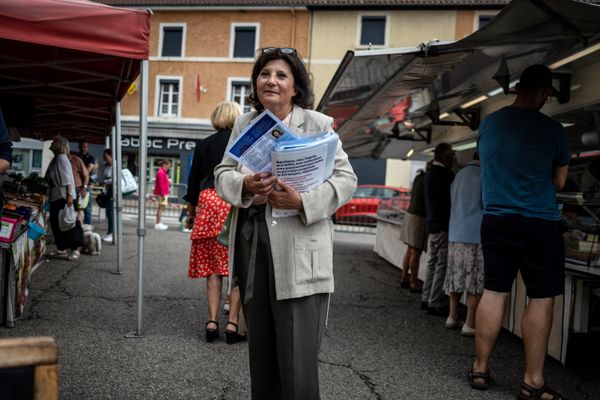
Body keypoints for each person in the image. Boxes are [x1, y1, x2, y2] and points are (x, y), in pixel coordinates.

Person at [214, 47, 357, 400]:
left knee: (297, 360)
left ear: (295, 87)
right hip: (253, 244)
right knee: (260, 350)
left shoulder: (318, 124)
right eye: (264, 74)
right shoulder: (245, 123)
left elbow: (346, 180)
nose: (271, 81)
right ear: (256, 83)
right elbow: (221, 174)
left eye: (281, 76)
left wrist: (303, 201)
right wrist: (244, 185)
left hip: (301, 250)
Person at [469, 64, 569, 400]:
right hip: (540, 222)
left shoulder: (489, 124)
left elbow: (487, 163)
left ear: (517, 87)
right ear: (544, 92)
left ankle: (480, 369)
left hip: (496, 219)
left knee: (494, 291)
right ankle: (532, 381)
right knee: (540, 296)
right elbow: (559, 181)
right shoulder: (554, 130)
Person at [184, 101, 246, 344]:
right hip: (232, 202)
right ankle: (232, 324)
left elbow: (192, 184)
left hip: (208, 203)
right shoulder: (242, 143)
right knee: (236, 267)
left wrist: (191, 214)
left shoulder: (204, 144)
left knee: (212, 270)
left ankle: (212, 322)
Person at [443, 152, 483, 336]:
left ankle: (452, 316)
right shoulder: (484, 174)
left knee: (455, 276)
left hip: (455, 232)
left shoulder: (459, 175)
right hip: (476, 234)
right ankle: (469, 322)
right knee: (474, 281)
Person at [421, 143, 454, 316]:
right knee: (441, 265)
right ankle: (434, 302)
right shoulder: (447, 175)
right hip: (443, 225)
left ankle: (425, 298)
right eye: (452, 156)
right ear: (446, 157)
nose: (454, 159)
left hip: (432, 224)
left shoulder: (429, 174)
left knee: (431, 263)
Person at [45, 137, 79, 260]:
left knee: (68, 223)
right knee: (56, 224)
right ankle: (61, 249)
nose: (51, 143)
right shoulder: (57, 158)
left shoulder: (61, 158)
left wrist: (69, 195)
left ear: (59, 145)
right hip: (57, 196)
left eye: (54, 142)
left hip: (63, 196)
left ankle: (74, 249)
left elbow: (68, 178)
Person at [400, 163, 429, 293]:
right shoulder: (426, 179)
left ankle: (404, 277)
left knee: (410, 250)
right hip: (418, 217)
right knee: (416, 252)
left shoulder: (418, 178)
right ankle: (413, 282)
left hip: (410, 214)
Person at [78, 142, 96, 225]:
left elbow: (87, 171)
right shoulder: (76, 156)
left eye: (85, 147)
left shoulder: (91, 158)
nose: (83, 148)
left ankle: (87, 226)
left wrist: (80, 174)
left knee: (87, 207)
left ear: (87, 148)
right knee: (76, 206)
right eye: (81, 147)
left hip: (86, 185)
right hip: (77, 185)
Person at [100, 149, 114, 243]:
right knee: (108, 212)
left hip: (113, 190)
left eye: (106, 156)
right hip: (108, 190)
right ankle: (109, 232)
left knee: (111, 212)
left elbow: (115, 179)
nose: (104, 158)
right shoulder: (107, 165)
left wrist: (104, 182)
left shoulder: (115, 165)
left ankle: (112, 233)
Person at [153, 159, 171, 230]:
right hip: (162, 193)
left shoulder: (162, 172)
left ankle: (159, 223)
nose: (169, 167)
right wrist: (163, 193)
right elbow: (160, 184)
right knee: (160, 208)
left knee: (161, 207)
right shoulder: (161, 172)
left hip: (163, 192)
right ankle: (158, 223)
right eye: (169, 165)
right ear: (165, 165)